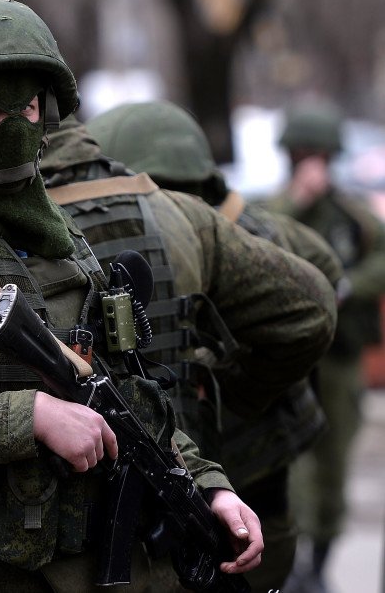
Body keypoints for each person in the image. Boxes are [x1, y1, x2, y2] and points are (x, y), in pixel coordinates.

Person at [0, 0, 335, 591]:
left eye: (27, 107)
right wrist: (28, 418)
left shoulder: (62, 239)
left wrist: (208, 487)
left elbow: (130, 398)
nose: (16, 127)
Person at [76, 101, 342, 591]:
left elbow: (318, 298)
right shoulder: (246, 224)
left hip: (235, 457)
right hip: (243, 459)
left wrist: (232, 385)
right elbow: (322, 273)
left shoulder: (191, 227)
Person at [264, 102, 385, 591]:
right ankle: (291, 562)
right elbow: (258, 242)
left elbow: (381, 257)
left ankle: (320, 560)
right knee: (289, 465)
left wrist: (348, 285)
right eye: (303, 155)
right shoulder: (275, 209)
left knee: (334, 464)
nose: (312, 164)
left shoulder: (353, 216)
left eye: (320, 156)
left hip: (339, 357)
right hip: (289, 358)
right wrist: (298, 200)